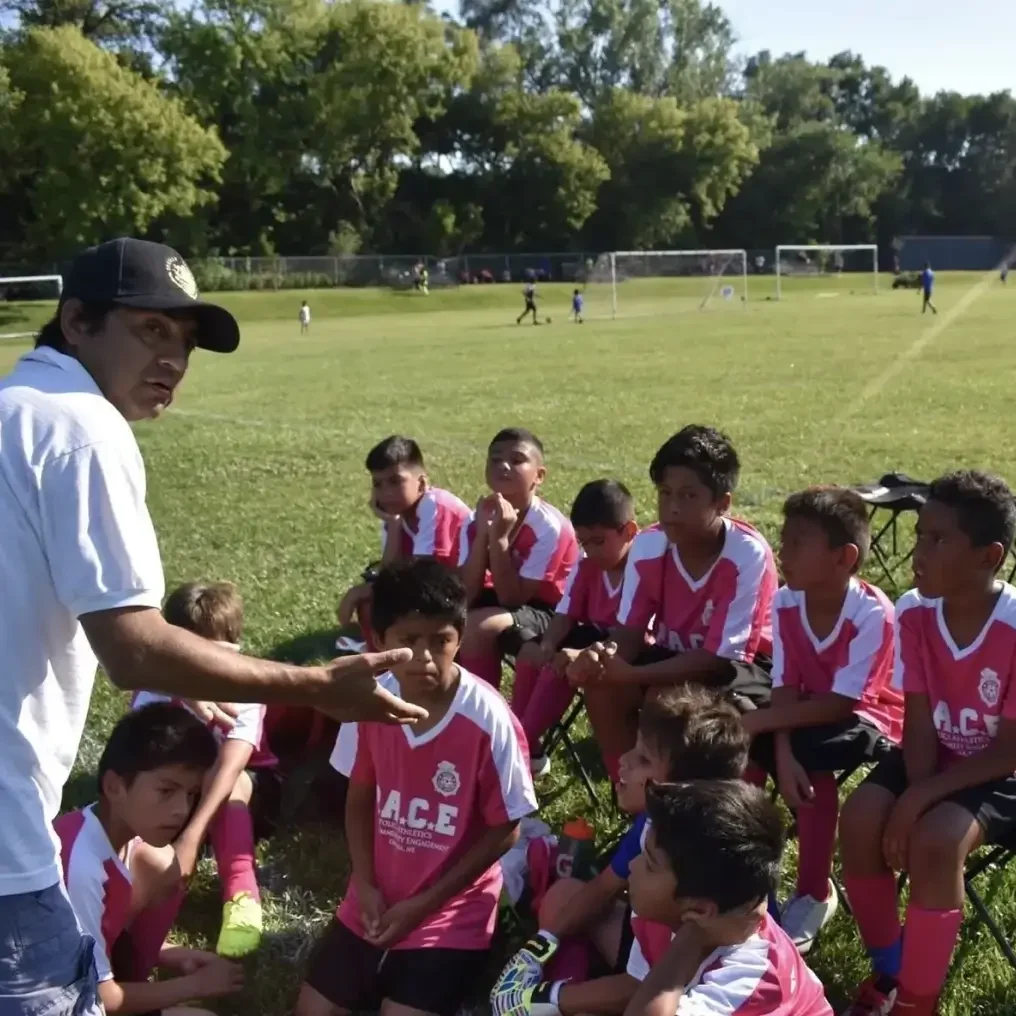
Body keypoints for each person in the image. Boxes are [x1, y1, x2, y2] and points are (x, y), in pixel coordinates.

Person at [0, 237, 422, 1016]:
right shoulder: (82, 429)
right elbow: (133, 647)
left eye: (185, 342)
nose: (173, 359)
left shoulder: (13, 411)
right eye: (151, 330)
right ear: (78, 321)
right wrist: (317, 687)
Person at [297, 559, 537, 1016]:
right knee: (313, 1011)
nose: (426, 657)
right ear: (380, 641)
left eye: (441, 641)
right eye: (408, 642)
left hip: (449, 911)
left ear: (460, 638)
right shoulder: (368, 702)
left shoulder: (487, 718)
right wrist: (365, 883)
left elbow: (506, 829)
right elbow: (360, 796)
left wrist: (423, 904)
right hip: (375, 898)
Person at [839, 471, 1016, 1016]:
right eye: (919, 534)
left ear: (989, 556)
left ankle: (917, 1004)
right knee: (862, 816)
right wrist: (914, 788)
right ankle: (891, 971)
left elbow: (1009, 750)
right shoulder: (914, 610)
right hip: (934, 756)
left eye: (939, 540)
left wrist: (919, 801)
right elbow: (917, 719)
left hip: (1002, 769)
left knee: (937, 842)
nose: (919, 550)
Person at [491, 689, 749, 1016]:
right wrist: (537, 948)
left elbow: (648, 989)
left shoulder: (699, 866)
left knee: (585, 1003)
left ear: (683, 788)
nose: (623, 761)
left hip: (684, 994)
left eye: (643, 759)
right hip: (660, 969)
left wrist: (542, 999)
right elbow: (604, 886)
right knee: (565, 897)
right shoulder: (660, 822)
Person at [740, 487, 902, 954]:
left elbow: (841, 705)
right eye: (783, 539)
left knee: (804, 753)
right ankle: (751, 884)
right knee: (754, 750)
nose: (782, 552)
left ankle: (815, 891)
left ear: (844, 557)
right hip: (806, 711)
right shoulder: (788, 601)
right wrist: (781, 746)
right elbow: (786, 682)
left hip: (869, 716)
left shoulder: (873, 612)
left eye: (797, 543)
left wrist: (772, 727)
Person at [569, 425, 777, 778]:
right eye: (665, 493)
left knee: (663, 702)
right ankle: (632, 797)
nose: (672, 508)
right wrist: (601, 655)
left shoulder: (746, 555)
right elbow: (630, 633)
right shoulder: (650, 545)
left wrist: (634, 674)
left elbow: (717, 662)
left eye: (689, 496)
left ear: (722, 504)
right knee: (602, 686)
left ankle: (672, 808)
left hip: (742, 672)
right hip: (671, 660)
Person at [55, 703, 243, 1015]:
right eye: (166, 791)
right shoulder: (82, 869)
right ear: (115, 787)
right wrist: (195, 986)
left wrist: (169, 954)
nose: (182, 809)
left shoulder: (116, 830)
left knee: (159, 862)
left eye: (191, 794)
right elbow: (94, 999)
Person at [132, 581, 277, 958]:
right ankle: (147, 896)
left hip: (240, 790)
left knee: (235, 783)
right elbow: (148, 764)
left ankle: (241, 892)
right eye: (191, 655)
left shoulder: (245, 686)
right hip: (180, 788)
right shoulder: (155, 690)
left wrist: (190, 839)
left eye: (216, 654)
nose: (204, 668)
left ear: (235, 651)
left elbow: (230, 766)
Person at [620, 781, 832, 1016]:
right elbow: (640, 989)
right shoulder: (665, 910)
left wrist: (687, 938)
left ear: (699, 911)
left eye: (650, 865)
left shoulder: (753, 977)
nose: (633, 865)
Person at [512, 480, 637, 778]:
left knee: (565, 663)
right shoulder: (586, 566)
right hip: (592, 639)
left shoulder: (643, 567)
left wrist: (574, 652)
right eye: (584, 543)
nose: (590, 551)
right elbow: (564, 616)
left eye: (599, 541)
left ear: (629, 531)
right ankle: (519, 735)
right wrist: (547, 645)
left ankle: (519, 744)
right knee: (534, 654)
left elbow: (638, 635)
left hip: (628, 648)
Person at [457, 428, 579, 689]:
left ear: (539, 476)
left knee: (477, 626)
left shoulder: (549, 527)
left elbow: (514, 599)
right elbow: (466, 593)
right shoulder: (475, 517)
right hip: (506, 600)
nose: (503, 466)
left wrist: (499, 540)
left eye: (517, 460)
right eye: (495, 459)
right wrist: (482, 536)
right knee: (441, 615)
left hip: (553, 612)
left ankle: (486, 713)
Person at [337, 435, 471, 636]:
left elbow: (426, 575)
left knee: (375, 598)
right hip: (435, 590)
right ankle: (384, 662)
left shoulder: (435, 505)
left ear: (422, 483)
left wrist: (361, 591)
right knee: (372, 605)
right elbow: (390, 573)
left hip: (470, 591)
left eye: (395, 481)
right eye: (378, 484)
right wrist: (394, 525)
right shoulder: (395, 517)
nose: (386, 492)